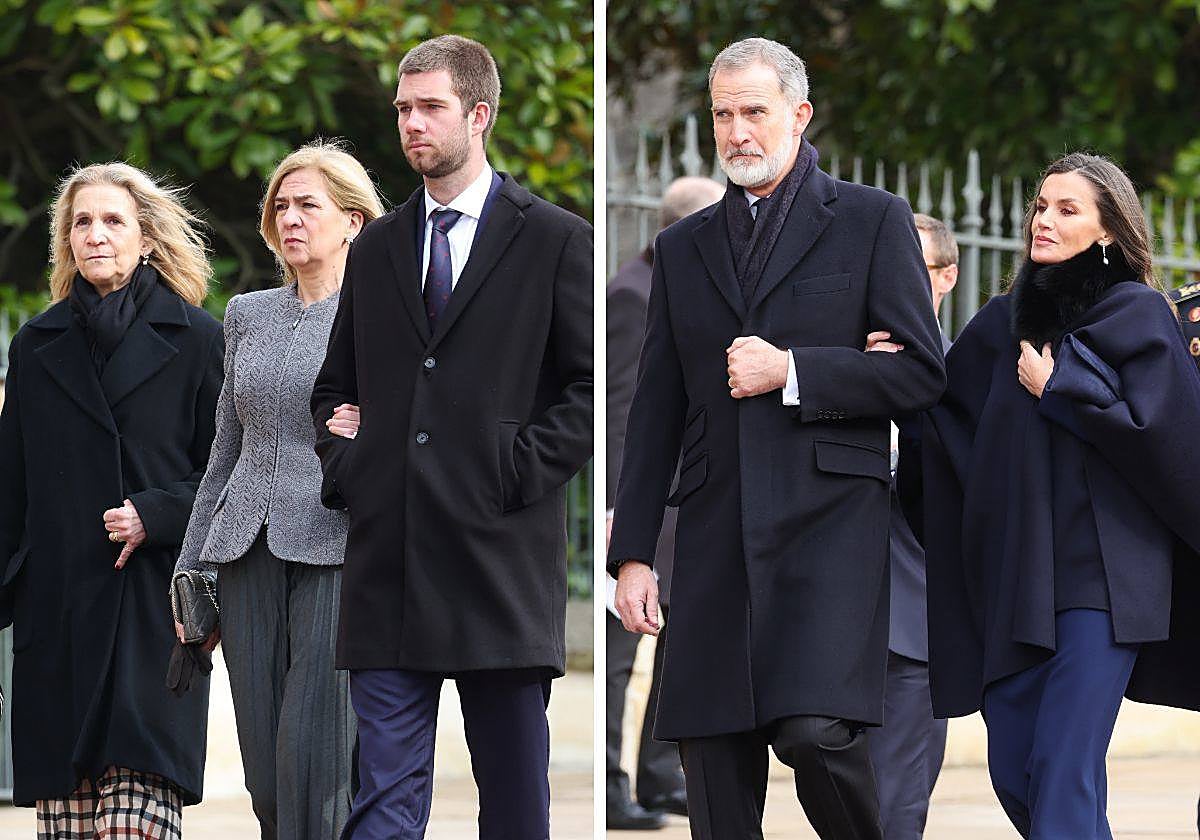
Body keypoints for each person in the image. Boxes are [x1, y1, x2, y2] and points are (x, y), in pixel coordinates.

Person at [607, 37, 946, 840]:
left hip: (830, 526)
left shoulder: (872, 220)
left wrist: (794, 370)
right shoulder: (683, 248)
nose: (737, 132)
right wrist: (633, 555)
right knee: (712, 758)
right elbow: (655, 404)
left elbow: (922, 375)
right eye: (723, 115)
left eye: (754, 111)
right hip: (717, 529)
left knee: (816, 735)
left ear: (799, 114)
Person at [310, 34, 592, 839]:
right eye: (403, 108)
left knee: (512, 805)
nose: (411, 123)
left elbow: (586, 390)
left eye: (429, 107)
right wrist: (354, 466)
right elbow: (335, 390)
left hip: (497, 565)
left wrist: (509, 471)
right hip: (388, 570)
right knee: (384, 805)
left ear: (479, 114)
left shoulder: (556, 240)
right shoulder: (374, 248)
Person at [922, 152, 1200, 839]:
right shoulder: (997, 327)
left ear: (1109, 231)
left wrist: (1062, 391)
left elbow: (1164, 442)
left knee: (1062, 765)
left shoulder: (1138, 315)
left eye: (1067, 209)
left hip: (1103, 585)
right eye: (1041, 207)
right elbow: (944, 430)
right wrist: (893, 370)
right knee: (1016, 771)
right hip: (1015, 579)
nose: (1045, 220)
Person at [0, 162, 222, 837]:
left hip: (151, 617)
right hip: (58, 618)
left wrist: (155, 514)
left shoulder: (200, 340)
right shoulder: (36, 347)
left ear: (147, 237)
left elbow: (228, 476)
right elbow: (10, 495)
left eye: (113, 220)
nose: (95, 234)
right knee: (65, 826)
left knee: (135, 823)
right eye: (81, 222)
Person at [174, 140, 385, 839]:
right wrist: (190, 568)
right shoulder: (248, 314)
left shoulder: (389, 317)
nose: (290, 218)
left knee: (316, 760)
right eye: (281, 206)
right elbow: (222, 452)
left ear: (353, 220)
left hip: (338, 549)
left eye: (308, 206)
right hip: (244, 552)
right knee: (265, 772)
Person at [606, 175, 724, 831]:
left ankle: (657, 775)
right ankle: (612, 785)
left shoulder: (677, 288)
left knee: (675, 650)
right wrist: (626, 519)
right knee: (624, 657)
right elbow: (624, 418)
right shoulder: (631, 295)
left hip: (689, 504)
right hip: (644, 510)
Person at [864, 213, 955, 840]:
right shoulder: (841, 362)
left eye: (912, 270)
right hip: (832, 612)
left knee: (896, 803)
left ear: (945, 278)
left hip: (916, 618)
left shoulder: (964, 374)